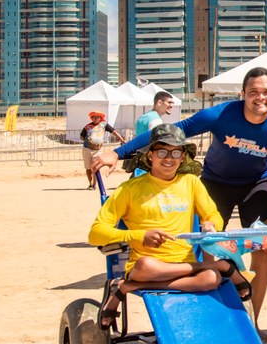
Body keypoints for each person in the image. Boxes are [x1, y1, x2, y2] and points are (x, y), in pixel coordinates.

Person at [90, 67, 267, 338]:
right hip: (216, 182)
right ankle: (212, 310)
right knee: (208, 244)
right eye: (254, 92)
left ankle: (253, 321)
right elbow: (172, 131)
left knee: (263, 248)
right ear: (243, 94)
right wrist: (118, 153)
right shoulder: (220, 114)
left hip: (257, 185)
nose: (261, 97)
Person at [89, 124, 254, 329]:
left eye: (175, 152)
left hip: (183, 266)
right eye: (162, 152)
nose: (169, 158)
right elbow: (95, 234)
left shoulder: (191, 183)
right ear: (150, 155)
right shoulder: (129, 189)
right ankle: (220, 265)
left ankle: (128, 287)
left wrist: (211, 224)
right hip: (150, 267)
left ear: (183, 156)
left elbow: (213, 215)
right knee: (145, 265)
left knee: (211, 279)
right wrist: (139, 236)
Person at [80, 111, 125, 190]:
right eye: (93, 117)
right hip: (87, 149)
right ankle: (90, 183)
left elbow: (113, 132)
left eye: (97, 117)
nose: (95, 118)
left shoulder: (104, 124)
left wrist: (121, 139)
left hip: (97, 150)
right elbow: (81, 136)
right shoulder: (88, 126)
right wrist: (90, 140)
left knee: (95, 167)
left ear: (100, 118)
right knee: (88, 168)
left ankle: (93, 184)